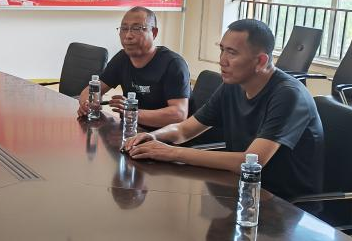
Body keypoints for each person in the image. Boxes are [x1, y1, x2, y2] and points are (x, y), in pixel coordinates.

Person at [124, 18, 324, 202]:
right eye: (222, 50)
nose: (222, 60)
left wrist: (172, 153)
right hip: (242, 191)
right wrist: (153, 137)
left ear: (261, 61)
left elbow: (250, 162)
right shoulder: (233, 85)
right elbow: (184, 130)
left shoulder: (289, 95)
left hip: (286, 205)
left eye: (232, 53)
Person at [77, 6, 190, 128]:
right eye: (124, 29)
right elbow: (92, 89)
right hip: (131, 129)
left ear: (154, 32)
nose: (128, 35)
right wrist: (87, 104)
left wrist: (132, 112)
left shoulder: (173, 64)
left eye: (137, 28)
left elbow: (179, 114)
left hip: (165, 135)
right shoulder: (122, 58)